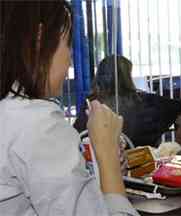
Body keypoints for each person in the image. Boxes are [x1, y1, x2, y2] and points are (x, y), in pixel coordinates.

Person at [0, 1, 139, 215]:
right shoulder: (37, 124)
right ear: (40, 40)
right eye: (68, 45)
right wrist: (108, 152)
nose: (71, 60)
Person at [74, 55, 181, 148]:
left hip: (97, 173)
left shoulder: (90, 106)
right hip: (141, 173)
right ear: (128, 77)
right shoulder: (147, 102)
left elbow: (77, 139)